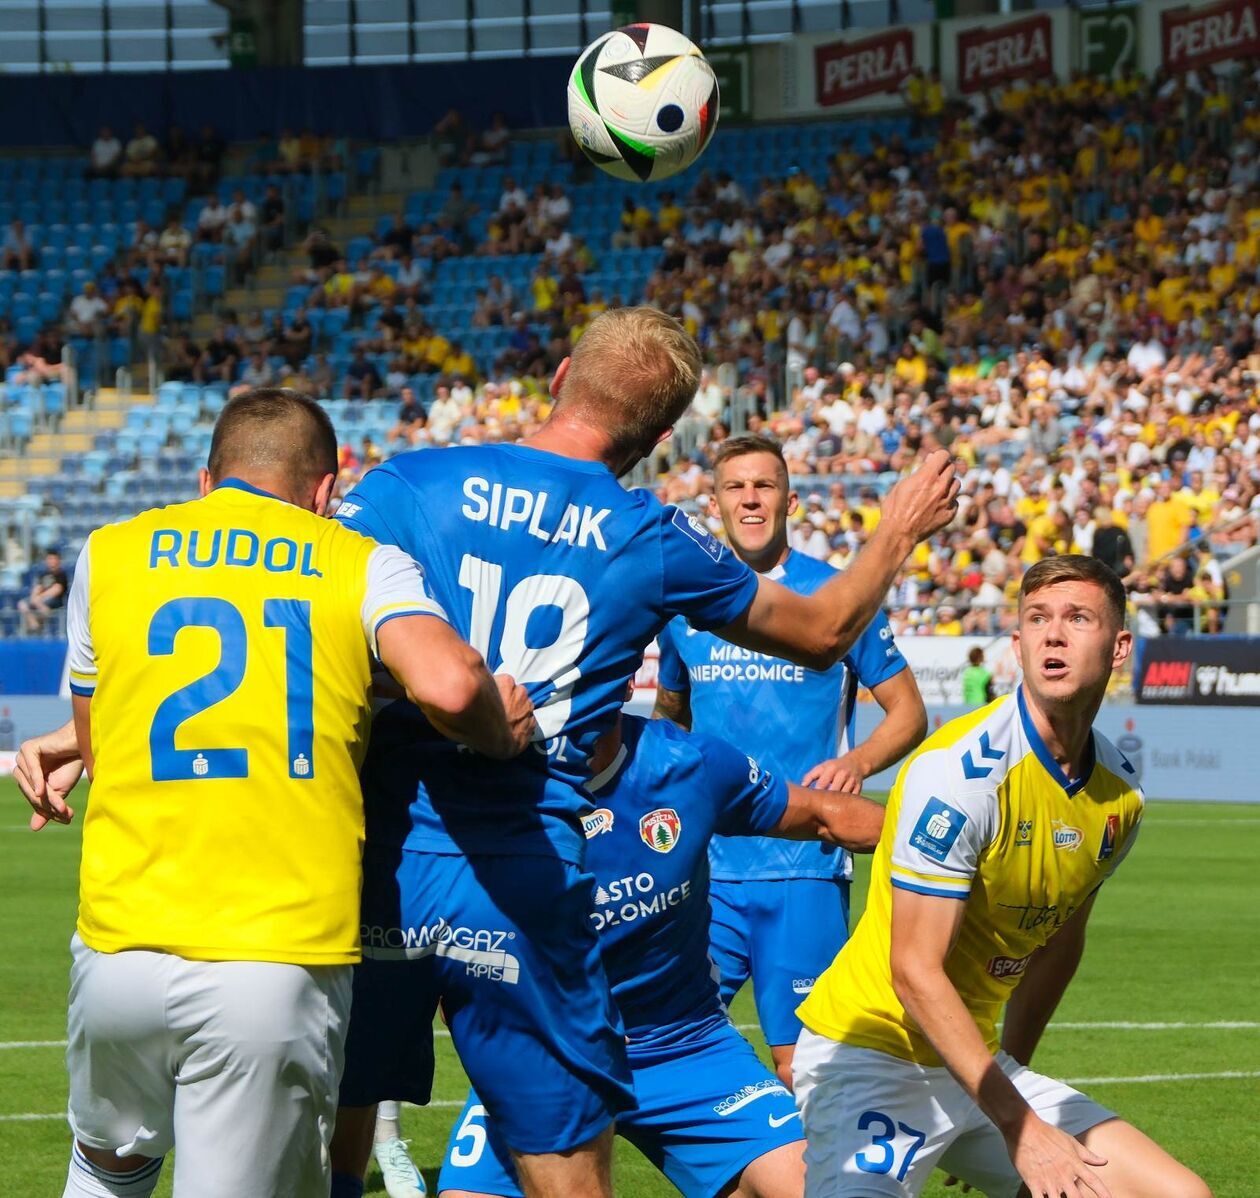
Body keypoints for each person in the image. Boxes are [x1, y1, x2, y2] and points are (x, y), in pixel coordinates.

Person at [329, 307, 959, 1198]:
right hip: (518, 873)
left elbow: (308, 630)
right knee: (571, 1165)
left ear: (557, 378)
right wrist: (896, 528)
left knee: (331, 1136)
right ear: (663, 438)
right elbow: (823, 632)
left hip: (379, 856)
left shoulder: (408, 485)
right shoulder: (652, 537)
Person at [12, 389, 536, 1198]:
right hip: (273, 955)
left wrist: (62, 746)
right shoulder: (355, 558)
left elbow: (101, 736)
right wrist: (501, 731)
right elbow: (449, 684)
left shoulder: (109, 551)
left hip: (119, 943)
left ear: (205, 478)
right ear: (327, 489)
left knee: (107, 1175)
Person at [793, 555, 1213, 1198]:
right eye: (1038, 619)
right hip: (871, 1056)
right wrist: (1019, 1126)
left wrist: (1008, 1091)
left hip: (979, 1066)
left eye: (1078, 618)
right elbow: (913, 970)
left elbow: (1060, 942)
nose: (1054, 634)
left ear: (1120, 645)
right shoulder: (960, 776)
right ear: (1016, 645)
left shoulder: (1121, 794)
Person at [438, 707, 885, 1198]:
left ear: (625, 677)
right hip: (541, 1052)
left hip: (685, 1045)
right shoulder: (476, 779)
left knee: (814, 1188)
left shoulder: (688, 762)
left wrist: (946, 847)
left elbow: (824, 815)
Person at [654, 435, 927, 1088]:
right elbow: (669, 717)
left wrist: (857, 764)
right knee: (661, 1047)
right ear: (715, 503)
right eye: (736, 487)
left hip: (804, 867)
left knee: (801, 1068)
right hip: (703, 872)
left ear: (791, 501)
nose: (750, 498)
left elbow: (910, 714)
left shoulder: (836, 597)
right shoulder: (686, 607)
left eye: (764, 485)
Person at [18, 548, 67, 634]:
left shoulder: (61, 574)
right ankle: (35, 626)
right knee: (22, 604)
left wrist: (40, 598)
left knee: (39, 603)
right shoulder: (44, 574)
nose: (51, 561)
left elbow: (57, 589)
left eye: (53, 559)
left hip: (55, 600)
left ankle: (43, 627)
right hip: (42, 599)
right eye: (49, 559)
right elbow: (38, 587)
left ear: (58, 560)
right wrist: (34, 597)